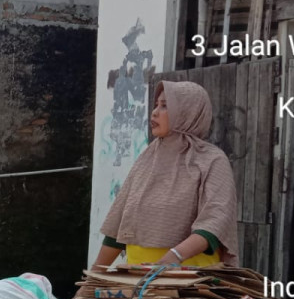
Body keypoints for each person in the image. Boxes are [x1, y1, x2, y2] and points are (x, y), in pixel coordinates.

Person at [85, 80, 239, 274]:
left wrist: (174, 256)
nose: (155, 112)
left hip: (188, 285)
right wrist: (93, 279)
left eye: (165, 106)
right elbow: (120, 224)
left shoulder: (211, 160)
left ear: (187, 112)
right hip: (136, 282)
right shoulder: (147, 159)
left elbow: (215, 223)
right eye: (156, 105)